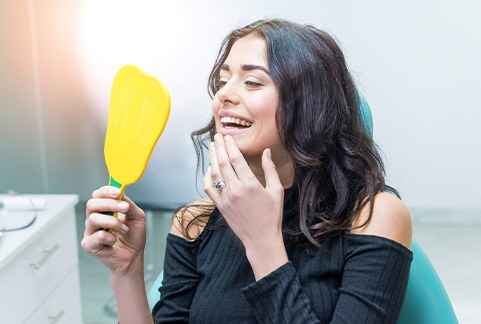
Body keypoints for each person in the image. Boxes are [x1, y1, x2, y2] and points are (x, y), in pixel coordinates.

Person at [81, 19, 413, 323]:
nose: (224, 94)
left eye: (252, 82)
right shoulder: (193, 222)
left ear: (311, 104)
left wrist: (262, 243)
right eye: (223, 80)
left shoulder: (372, 217)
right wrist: (126, 272)